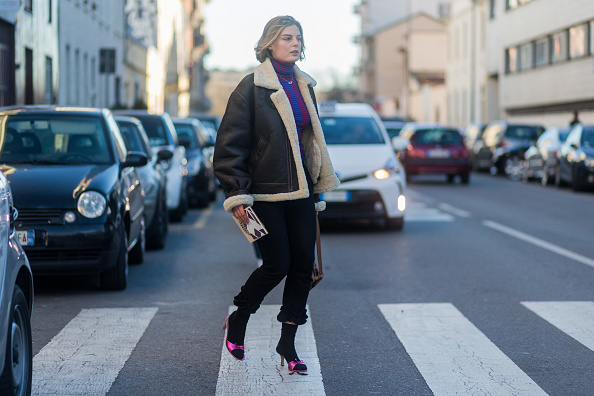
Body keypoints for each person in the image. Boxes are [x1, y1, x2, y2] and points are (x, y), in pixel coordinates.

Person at [213, 15, 340, 374]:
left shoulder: (305, 86)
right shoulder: (251, 87)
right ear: (270, 43)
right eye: (287, 37)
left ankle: (288, 342)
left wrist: (315, 189)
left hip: (301, 191)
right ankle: (239, 317)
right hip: (265, 195)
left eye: (298, 37)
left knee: (303, 267)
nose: (295, 43)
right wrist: (238, 196)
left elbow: (309, 144)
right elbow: (229, 147)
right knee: (277, 264)